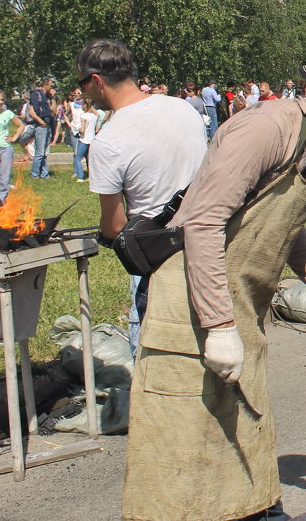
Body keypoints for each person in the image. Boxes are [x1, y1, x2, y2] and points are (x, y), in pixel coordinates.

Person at [120, 42, 306, 521]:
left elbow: (281, 225)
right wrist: (219, 325)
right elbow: (203, 221)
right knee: (171, 470)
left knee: (249, 449)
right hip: (189, 313)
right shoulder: (267, 128)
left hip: (237, 316)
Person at [77, 40, 208, 353]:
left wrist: (105, 235)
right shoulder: (181, 107)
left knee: (153, 359)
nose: (83, 93)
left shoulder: (108, 141)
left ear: (96, 81)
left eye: (82, 85)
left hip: (157, 257)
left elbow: (115, 225)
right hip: (208, 243)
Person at [17, 76, 54, 179]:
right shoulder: (36, 94)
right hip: (41, 125)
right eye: (51, 85)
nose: (52, 87)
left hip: (48, 124)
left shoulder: (46, 96)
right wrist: (41, 122)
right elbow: (32, 111)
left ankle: (44, 174)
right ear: (45, 84)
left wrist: (53, 98)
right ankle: (35, 174)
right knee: (40, 152)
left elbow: (53, 111)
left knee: (45, 152)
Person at [72, 99, 100, 183]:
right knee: (89, 159)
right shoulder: (94, 117)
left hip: (84, 140)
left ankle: (81, 177)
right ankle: (90, 176)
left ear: (85, 105)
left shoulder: (83, 116)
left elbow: (82, 130)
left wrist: (77, 129)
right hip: (92, 140)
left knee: (78, 158)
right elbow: (96, 127)